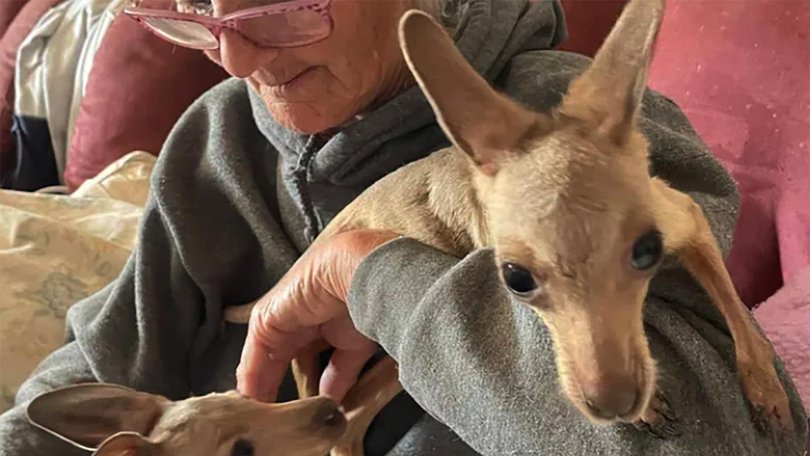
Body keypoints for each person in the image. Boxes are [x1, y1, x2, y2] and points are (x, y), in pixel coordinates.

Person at [0, 0, 806, 454]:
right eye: (198, 12)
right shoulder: (218, 139)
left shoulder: (584, 136)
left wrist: (371, 273)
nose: (236, 60)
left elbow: (717, 438)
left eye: (280, 5)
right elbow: (89, 371)